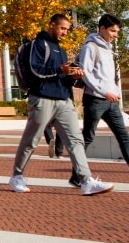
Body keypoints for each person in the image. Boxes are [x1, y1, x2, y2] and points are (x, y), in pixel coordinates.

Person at [8, 13, 113, 196]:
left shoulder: (61, 50)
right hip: (42, 99)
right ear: (52, 25)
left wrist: (73, 76)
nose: (65, 33)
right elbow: (35, 71)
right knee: (31, 140)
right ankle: (16, 176)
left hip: (64, 101)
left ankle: (86, 181)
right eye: (62, 28)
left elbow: (61, 78)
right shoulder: (38, 44)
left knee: (75, 140)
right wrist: (59, 69)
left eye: (67, 29)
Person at [77, 14, 129, 191]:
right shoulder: (90, 47)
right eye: (113, 31)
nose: (115, 35)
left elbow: (107, 76)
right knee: (88, 137)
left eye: (117, 32)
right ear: (102, 29)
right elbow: (86, 73)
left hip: (111, 102)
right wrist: (104, 91)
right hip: (95, 100)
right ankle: (78, 174)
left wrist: (113, 91)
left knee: (124, 137)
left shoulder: (108, 49)